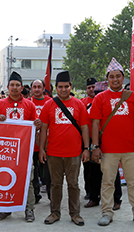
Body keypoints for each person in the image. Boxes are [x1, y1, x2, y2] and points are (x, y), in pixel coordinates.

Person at [90, 57, 134, 227]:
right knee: (108, 183)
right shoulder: (100, 98)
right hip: (108, 149)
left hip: (131, 148)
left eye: (118, 76)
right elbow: (95, 123)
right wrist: (96, 146)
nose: (115, 79)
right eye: (111, 76)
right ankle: (106, 213)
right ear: (107, 79)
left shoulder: (133, 96)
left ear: (123, 78)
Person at [39, 71, 90, 227]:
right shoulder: (49, 105)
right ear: (56, 88)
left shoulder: (78, 104)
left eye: (66, 86)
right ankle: (54, 212)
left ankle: (75, 214)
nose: (63, 89)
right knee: (55, 185)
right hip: (53, 153)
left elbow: (85, 128)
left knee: (73, 184)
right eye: (60, 87)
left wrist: (86, 148)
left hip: (74, 153)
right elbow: (44, 129)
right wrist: (41, 149)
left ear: (70, 87)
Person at [0, 71, 41, 222]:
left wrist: (37, 125)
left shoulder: (29, 105)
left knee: (28, 181)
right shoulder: (0, 104)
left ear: (21, 88)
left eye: (17, 85)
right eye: (12, 85)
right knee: (5, 180)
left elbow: (35, 126)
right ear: (8, 87)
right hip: (6, 151)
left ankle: (29, 210)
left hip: (25, 151)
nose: (14, 87)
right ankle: (6, 209)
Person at [84, 81, 123, 210]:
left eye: (100, 93)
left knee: (113, 172)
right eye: (96, 94)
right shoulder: (89, 106)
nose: (98, 95)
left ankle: (116, 199)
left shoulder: (111, 106)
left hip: (109, 141)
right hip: (93, 142)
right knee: (93, 172)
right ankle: (94, 197)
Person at [30, 79, 52, 202]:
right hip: (31, 144)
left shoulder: (51, 102)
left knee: (49, 173)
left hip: (48, 144)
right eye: (35, 87)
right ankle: (35, 196)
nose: (37, 89)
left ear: (44, 88)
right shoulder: (27, 103)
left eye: (39, 87)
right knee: (33, 173)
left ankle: (51, 195)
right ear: (31, 89)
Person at [81, 77, 97, 200]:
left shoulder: (101, 100)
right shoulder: (82, 102)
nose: (91, 89)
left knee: (99, 168)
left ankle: (99, 192)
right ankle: (89, 191)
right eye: (89, 88)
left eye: (93, 87)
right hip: (86, 139)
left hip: (98, 138)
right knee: (87, 168)